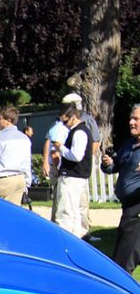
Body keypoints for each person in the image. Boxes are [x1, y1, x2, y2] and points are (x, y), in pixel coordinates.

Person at [101, 104, 140, 275]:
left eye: (136, 119)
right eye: (131, 119)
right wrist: (108, 163)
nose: (131, 122)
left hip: (137, 211)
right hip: (128, 209)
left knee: (122, 264)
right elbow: (115, 166)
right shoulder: (129, 144)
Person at [61, 92, 100, 235]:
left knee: (71, 209)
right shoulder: (70, 124)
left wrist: (61, 149)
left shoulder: (84, 124)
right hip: (75, 172)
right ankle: (79, 236)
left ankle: (79, 236)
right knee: (74, 209)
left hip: (76, 173)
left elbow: (93, 143)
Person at [53, 102, 93, 238]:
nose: (64, 124)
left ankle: (64, 241)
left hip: (72, 177)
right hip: (77, 177)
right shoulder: (79, 131)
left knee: (65, 212)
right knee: (74, 213)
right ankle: (75, 240)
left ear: (74, 116)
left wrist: (61, 148)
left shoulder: (79, 132)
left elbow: (76, 156)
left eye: (65, 121)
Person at [0, 107, 32, 206]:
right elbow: (27, 162)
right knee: (15, 212)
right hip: (19, 179)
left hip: (3, 180)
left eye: (0, 119)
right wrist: (27, 183)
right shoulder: (25, 138)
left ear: (8, 121)